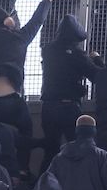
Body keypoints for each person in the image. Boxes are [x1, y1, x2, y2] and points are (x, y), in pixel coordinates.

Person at [0, 0, 61, 174]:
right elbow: (37, 21)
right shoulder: (19, 38)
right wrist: (47, 0)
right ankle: (22, 170)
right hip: (10, 98)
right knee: (25, 132)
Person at [39, 15, 102, 172]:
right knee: (79, 149)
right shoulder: (76, 54)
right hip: (69, 107)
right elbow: (96, 76)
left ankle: (40, 189)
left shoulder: (48, 51)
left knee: (50, 150)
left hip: (48, 107)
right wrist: (96, 60)